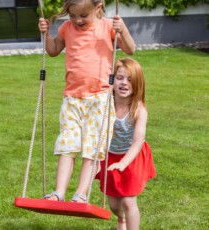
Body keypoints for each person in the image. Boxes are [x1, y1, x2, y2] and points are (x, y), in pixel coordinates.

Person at [38, 0, 135, 202]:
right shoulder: (67, 28)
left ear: (98, 8)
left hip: (99, 98)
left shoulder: (108, 26)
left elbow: (130, 49)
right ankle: (59, 193)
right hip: (72, 99)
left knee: (91, 149)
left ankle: (81, 195)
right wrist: (46, 33)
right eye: (73, 16)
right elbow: (54, 50)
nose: (77, 20)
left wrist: (122, 28)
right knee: (67, 145)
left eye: (83, 16)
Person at [96, 58, 156, 230]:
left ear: (137, 84)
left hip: (132, 156)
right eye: (120, 78)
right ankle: (121, 220)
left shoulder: (138, 110)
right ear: (112, 80)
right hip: (110, 154)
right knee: (114, 204)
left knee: (129, 201)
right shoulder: (106, 104)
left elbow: (137, 142)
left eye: (130, 79)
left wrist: (123, 163)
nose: (124, 83)